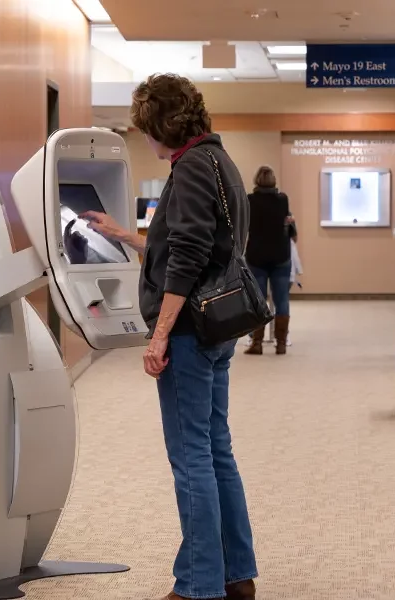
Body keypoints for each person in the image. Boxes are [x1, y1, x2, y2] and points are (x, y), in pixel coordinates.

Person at [78, 73, 258, 600]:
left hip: (188, 332)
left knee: (192, 457)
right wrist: (126, 236)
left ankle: (200, 586)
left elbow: (187, 259)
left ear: (160, 124)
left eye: (145, 129)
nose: (146, 140)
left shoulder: (192, 169)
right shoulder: (218, 160)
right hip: (215, 326)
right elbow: (189, 242)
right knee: (215, 449)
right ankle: (235, 576)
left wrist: (158, 338)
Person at [244, 166, 294, 355]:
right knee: (282, 300)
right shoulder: (282, 199)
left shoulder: (250, 200)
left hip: (256, 256)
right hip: (281, 255)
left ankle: (256, 343)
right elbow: (286, 221)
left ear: (257, 180)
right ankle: (280, 343)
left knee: (258, 300)